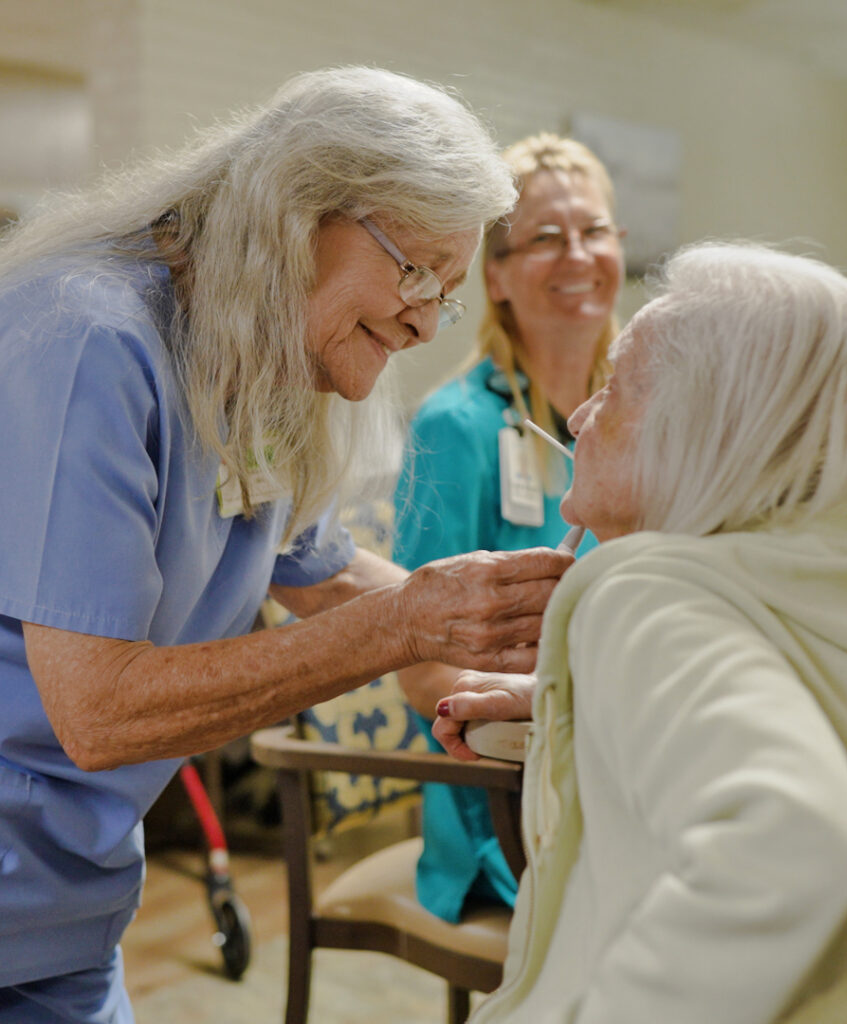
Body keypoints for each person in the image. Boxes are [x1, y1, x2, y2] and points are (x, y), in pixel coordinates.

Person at [0, 66, 574, 1023]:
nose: (428, 319)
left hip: (64, 909)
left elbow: (330, 577)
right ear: (301, 213)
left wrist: (554, 649)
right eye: (417, 272)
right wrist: (411, 622)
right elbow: (95, 712)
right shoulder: (89, 341)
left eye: (450, 292)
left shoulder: (249, 358)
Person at [436, 242, 847, 1022]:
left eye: (614, 388)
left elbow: (800, 858)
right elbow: (835, 713)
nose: (580, 416)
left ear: (706, 428)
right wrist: (573, 703)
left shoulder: (643, 591)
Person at [392, 133, 624, 922]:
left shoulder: (647, 421)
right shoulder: (454, 428)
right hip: (505, 790)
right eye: (547, 237)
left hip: (621, 748)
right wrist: (570, 702)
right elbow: (419, 670)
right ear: (494, 275)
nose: (579, 255)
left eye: (595, 231)